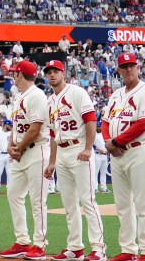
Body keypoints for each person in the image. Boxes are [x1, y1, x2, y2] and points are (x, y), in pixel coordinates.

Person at [41, 59, 105, 261]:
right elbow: (52, 134)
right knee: (69, 203)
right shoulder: (50, 101)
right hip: (61, 151)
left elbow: (91, 120)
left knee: (88, 200)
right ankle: (75, 247)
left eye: (55, 71)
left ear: (63, 73)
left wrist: (88, 147)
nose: (52, 75)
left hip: (79, 149)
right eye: (49, 72)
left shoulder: (77, 92)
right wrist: (51, 162)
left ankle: (98, 248)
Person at [1, 60, 50, 260]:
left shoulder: (37, 95)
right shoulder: (20, 96)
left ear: (20, 75)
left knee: (38, 201)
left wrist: (17, 148)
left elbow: (35, 128)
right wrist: (11, 145)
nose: (13, 76)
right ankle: (22, 241)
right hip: (21, 152)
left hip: (36, 150)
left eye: (15, 73)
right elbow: (17, 126)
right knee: (13, 194)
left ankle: (39, 244)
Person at [102, 52, 145, 261]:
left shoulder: (143, 90)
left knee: (143, 203)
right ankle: (128, 250)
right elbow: (105, 122)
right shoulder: (116, 95)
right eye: (124, 66)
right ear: (118, 70)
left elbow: (142, 122)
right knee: (123, 205)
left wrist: (117, 142)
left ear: (138, 67)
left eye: (131, 65)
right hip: (117, 154)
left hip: (138, 150)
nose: (128, 69)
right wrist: (110, 143)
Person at [0, 120, 12, 195]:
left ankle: (9, 189)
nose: (11, 127)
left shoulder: (11, 133)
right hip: (0, 154)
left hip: (9, 155)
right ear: (6, 125)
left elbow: (14, 144)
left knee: (9, 172)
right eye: (10, 125)